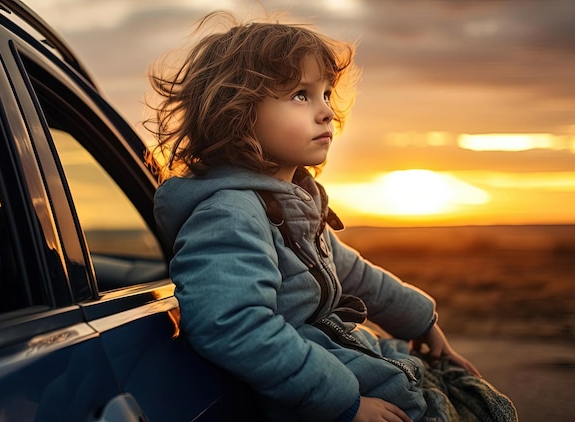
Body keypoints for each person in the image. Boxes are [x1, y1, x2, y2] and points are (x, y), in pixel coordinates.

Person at [144, 11, 517, 422]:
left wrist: (421, 322)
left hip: (365, 371)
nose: (326, 112)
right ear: (238, 112)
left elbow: (352, 272)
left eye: (325, 94)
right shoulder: (229, 215)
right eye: (301, 95)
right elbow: (233, 324)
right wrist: (345, 404)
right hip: (331, 399)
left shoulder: (292, 203)